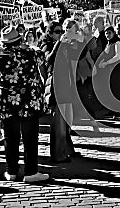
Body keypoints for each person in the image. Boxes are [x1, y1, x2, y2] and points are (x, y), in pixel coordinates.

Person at [0, 25, 49, 182]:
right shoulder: (33, 52)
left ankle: (11, 171)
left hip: (7, 102)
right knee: (30, 137)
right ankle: (31, 172)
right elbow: (43, 64)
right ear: (19, 39)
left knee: (10, 138)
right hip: (30, 101)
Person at [44, 21, 78, 163]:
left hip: (66, 84)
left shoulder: (65, 45)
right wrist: (59, 44)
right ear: (50, 34)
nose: (60, 34)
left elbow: (77, 54)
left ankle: (66, 149)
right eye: (57, 32)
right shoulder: (48, 45)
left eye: (61, 31)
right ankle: (58, 154)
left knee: (67, 121)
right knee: (58, 122)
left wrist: (76, 38)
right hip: (55, 85)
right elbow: (48, 60)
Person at [96, 25, 120, 115]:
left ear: (114, 33)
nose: (107, 35)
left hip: (117, 70)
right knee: (112, 90)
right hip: (110, 70)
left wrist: (106, 63)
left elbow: (118, 56)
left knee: (118, 89)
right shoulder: (109, 43)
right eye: (106, 33)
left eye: (109, 33)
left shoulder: (117, 43)